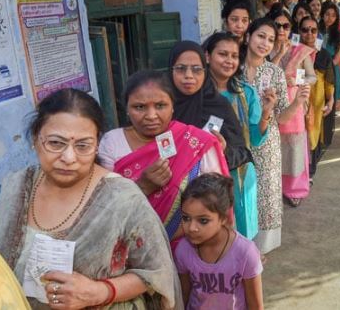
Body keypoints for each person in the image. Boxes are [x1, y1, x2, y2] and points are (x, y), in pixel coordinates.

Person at [0, 89, 180, 309]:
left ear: (96, 145)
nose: (69, 158)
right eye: (55, 143)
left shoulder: (122, 199)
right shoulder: (16, 186)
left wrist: (100, 292)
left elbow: (158, 272)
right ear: (35, 139)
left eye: (83, 146)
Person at [98, 71, 229, 241]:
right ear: (127, 109)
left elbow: (217, 201)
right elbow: (104, 205)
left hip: (189, 244)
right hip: (130, 247)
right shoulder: (112, 142)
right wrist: (142, 187)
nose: (151, 116)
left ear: (172, 106)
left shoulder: (195, 142)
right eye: (139, 107)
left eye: (160, 105)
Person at [241, 17, 311, 253]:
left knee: (265, 194)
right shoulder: (233, 67)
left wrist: (298, 103)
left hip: (267, 145)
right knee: (239, 194)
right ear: (249, 35)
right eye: (261, 36)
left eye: (271, 39)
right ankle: (238, 247)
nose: (265, 43)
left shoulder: (274, 73)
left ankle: (258, 251)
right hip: (238, 141)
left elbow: (281, 118)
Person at [204, 32, 272, 239]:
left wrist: (266, 113)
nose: (229, 60)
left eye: (234, 56)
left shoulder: (246, 93)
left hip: (240, 172)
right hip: (205, 173)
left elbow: (255, 139)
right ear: (207, 56)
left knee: (242, 226)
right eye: (222, 54)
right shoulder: (195, 94)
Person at [174, 173, 263, 309]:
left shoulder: (245, 252)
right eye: (186, 218)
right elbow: (184, 295)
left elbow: (255, 305)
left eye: (203, 220)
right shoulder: (183, 249)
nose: (191, 228)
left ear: (223, 218)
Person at [169, 41, 253, 173]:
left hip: (205, 189)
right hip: (165, 187)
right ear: (170, 70)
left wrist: (224, 149)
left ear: (205, 72)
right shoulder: (160, 105)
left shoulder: (219, 105)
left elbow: (242, 152)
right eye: (180, 68)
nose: (189, 75)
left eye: (196, 69)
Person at [267, 9, 317, 207]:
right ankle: (275, 185)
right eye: (277, 25)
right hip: (270, 103)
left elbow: (312, 76)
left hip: (293, 102)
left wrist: (296, 79)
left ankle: (294, 189)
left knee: (294, 147)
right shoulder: (265, 49)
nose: (281, 30)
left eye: (285, 26)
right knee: (274, 145)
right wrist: (278, 55)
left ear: (291, 28)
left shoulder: (300, 50)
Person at [300, 16, 335, 179]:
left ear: (317, 33)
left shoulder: (324, 54)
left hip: (317, 100)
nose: (309, 34)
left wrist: (331, 99)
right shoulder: (295, 52)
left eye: (313, 30)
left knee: (314, 134)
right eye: (305, 30)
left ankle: (310, 172)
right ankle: (300, 172)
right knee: (300, 135)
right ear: (299, 32)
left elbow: (329, 81)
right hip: (299, 100)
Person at [320, 2, 340, 114]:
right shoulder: (315, 30)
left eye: (333, 15)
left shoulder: (339, 35)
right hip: (316, 70)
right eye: (327, 14)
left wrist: (327, 68)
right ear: (322, 14)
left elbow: (337, 58)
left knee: (330, 104)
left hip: (331, 70)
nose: (330, 18)